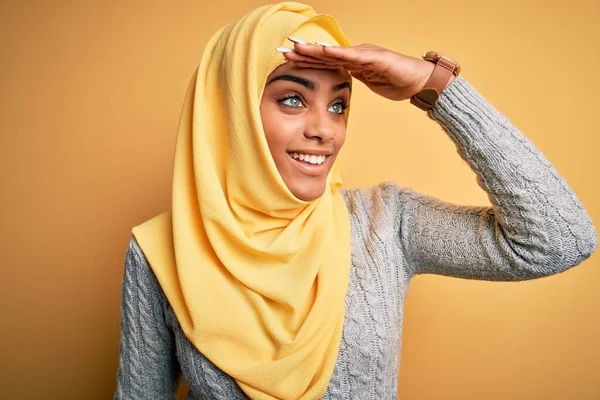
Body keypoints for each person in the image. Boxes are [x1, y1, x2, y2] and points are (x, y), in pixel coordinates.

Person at [114, 2, 597, 399]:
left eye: (339, 104)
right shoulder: (161, 252)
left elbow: (560, 240)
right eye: (292, 98)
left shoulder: (386, 223)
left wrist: (437, 87)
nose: (324, 129)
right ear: (229, 110)